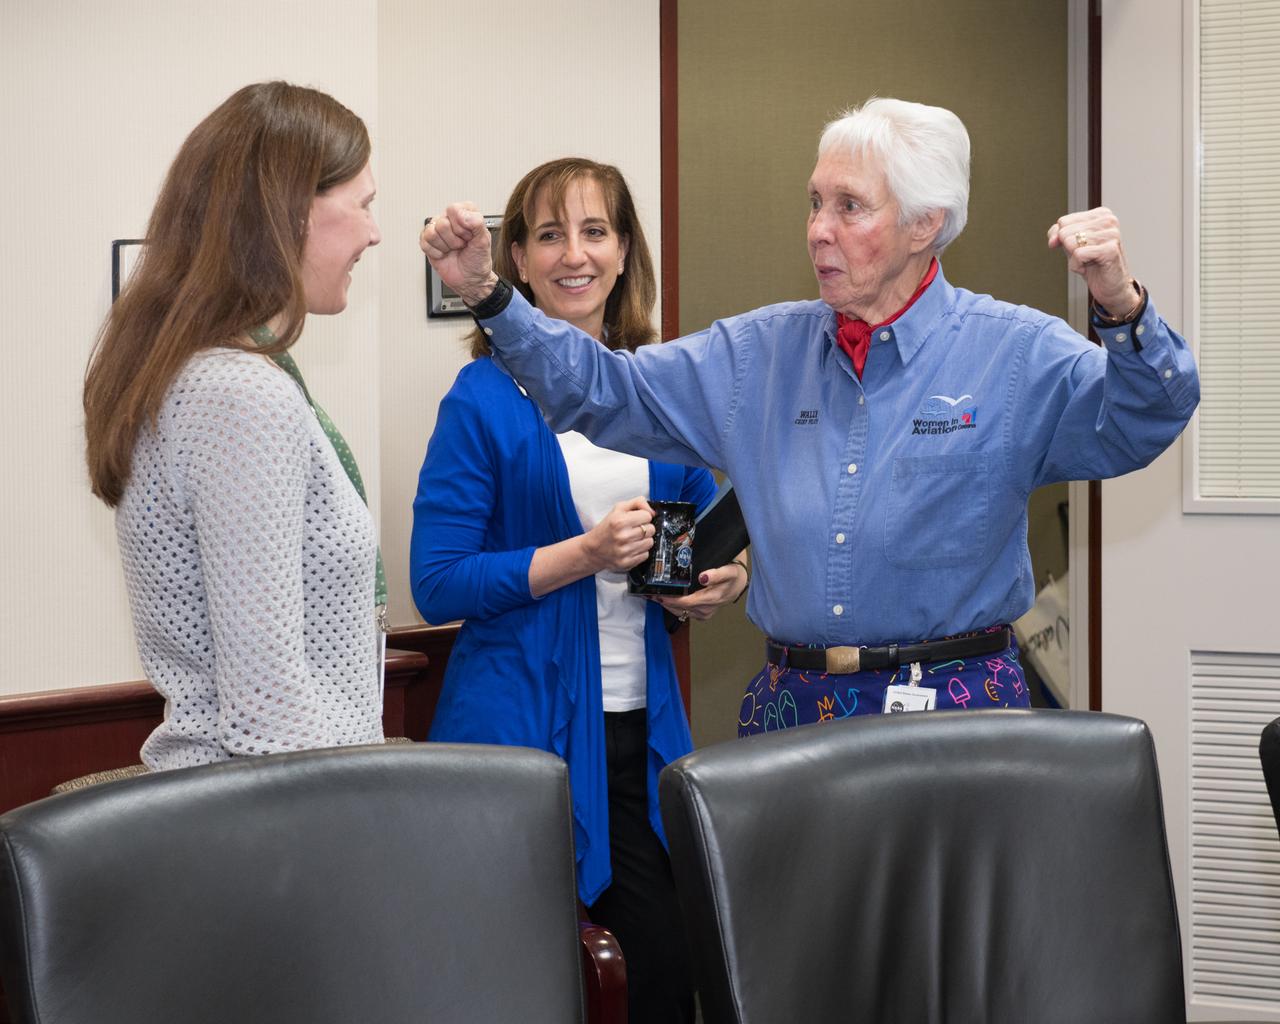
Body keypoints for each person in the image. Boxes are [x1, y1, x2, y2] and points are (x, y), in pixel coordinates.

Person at [421, 97, 1200, 735]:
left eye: (849, 207)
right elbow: (603, 391)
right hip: (794, 715)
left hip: (960, 720)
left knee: (944, 935)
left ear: (924, 225)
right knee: (793, 935)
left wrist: (1121, 306)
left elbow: (1144, 419)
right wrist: (492, 296)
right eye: (815, 202)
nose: (817, 229)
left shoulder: (1014, 353)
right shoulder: (758, 354)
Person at [410, 157, 743, 1024]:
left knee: (666, 982)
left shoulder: (660, 388)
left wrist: (720, 582)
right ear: (514, 260)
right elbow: (436, 582)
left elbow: (697, 542)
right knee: (524, 992)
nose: (574, 255)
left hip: (643, 734)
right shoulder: (482, 398)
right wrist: (583, 553)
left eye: (595, 231)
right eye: (549, 234)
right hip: (515, 740)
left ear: (626, 251)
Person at [83, 81, 385, 769]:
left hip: (255, 815)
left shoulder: (216, 378)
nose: (374, 231)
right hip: (276, 829)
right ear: (289, 212)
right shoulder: (238, 395)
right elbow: (268, 711)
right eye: (362, 205)